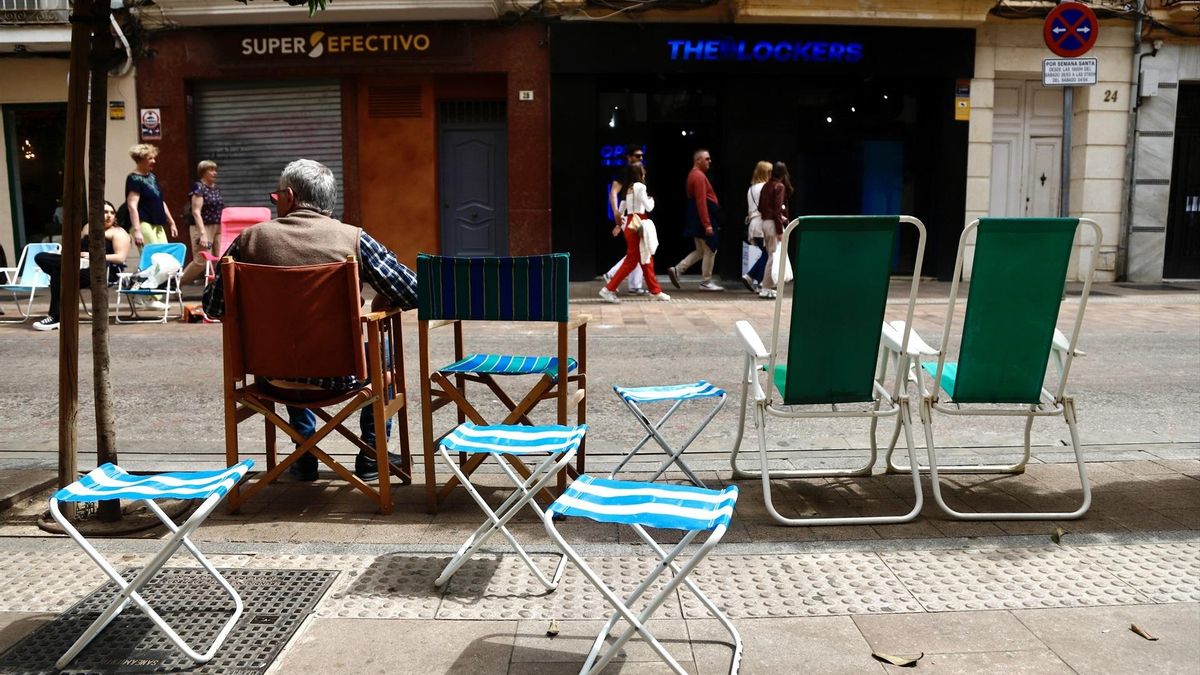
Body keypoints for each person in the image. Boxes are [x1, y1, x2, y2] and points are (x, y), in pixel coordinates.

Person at [203, 159, 418, 482]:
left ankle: (305, 450)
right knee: (381, 347)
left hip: (269, 374)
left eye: (276, 198)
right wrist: (380, 301)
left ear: (289, 196)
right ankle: (372, 453)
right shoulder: (353, 238)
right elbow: (413, 291)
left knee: (288, 340)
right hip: (341, 375)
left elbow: (212, 305)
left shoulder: (249, 240)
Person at [32, 201, 130, 331]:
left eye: (112, 213)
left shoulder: (118, 232)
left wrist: (93, 257)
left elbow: (120, 258)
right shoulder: (87, 227)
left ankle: (56, 317)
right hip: (79, 265)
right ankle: (57, 316)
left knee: (59, 273)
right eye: (105, 212)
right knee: (41, 257)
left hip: (102, 271)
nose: (109, 215)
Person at [598, 163, 670, 304]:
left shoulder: (628, 188)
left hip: (630, 224)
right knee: (635, 260)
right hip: (640, 222)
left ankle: (655, 290)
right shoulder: (640, 187)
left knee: (645, 259)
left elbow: (621, 208)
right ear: (640, 173)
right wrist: (652, 200)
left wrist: (619, 224)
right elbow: (649, 207)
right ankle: (608, 290)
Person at [666, 149, 723, 292]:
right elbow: (701, 202)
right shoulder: (698, 176)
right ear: (698, 160)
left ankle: (678, 270)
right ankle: (706, 282)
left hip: (699, 218)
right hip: (704, 218)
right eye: (707, 159)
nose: (710, 161)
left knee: (701, 250)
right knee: (710, 249)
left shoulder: (695, 175)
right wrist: (707, 224)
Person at [603, 146, 646, 295]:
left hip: (632, 215)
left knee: (639, 250)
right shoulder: (627, 171)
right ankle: (613, 274)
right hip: (630, 216)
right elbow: (614, 192)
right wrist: (617, 214)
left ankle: (635, 285)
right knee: (637, 251)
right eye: (637, 156)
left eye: (641, 156)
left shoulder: (634, 172)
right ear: (629, 157)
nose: (640, 158)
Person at [179, 159, 224, 285]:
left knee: (219, 259)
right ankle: (176, 284)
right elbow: (196, 211)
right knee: (201, 261)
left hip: (218, 227)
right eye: (211, 170)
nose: (214, 173)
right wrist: (202, 233)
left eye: (215, 170)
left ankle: (214, 289)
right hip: (203, 227)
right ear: (203, 172)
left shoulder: (216, 188)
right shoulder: (199, 187)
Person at [125, 143, 178, 249]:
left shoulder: (152, 177)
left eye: (154, 158)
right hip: (144, 223)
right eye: (150, 158)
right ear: (140, 160)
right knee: (152, 257)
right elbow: (132, 206)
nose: (154, 161)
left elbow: (160, 201)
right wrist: (137, 230)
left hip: (158, 223)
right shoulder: (134, 178)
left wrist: (171, 222)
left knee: (164, 255)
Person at [758, 161, 794, 300]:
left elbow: (761, 207)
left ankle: (767, 286)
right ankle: (766, 287)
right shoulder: (779, 187)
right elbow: (778, 210)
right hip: (774, 224)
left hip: (765, 222)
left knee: (771, 255)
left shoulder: (766, 185)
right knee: (774, 256)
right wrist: (780, 230)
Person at [742, 161, 773, 293]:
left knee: (766, 254)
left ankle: (755, 279)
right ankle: (756, 279)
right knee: (768, 254)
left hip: (753, 224)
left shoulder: (751, 189)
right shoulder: (766, 187)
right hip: (762, 224)